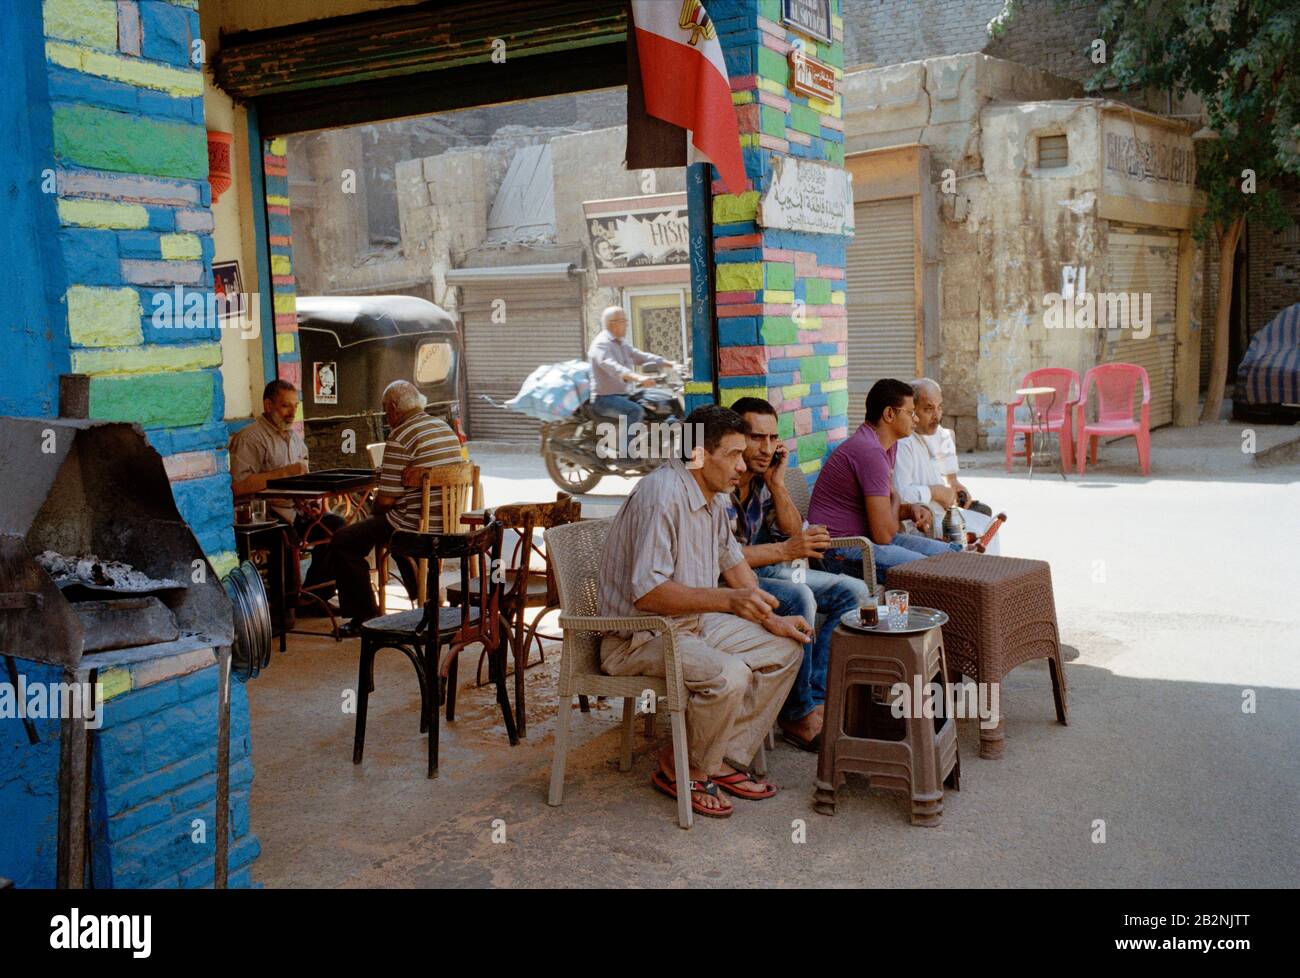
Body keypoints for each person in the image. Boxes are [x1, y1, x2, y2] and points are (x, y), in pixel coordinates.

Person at [598, 405, 809, 819]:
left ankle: (722, 760)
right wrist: (728, 601)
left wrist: (772, 620)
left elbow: (733, 564)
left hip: (687, 626)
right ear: (697, 454)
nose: (742, 463)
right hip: (637, 637)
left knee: (785, 649)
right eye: (732, 454)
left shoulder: (713, 496)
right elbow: (649, 593)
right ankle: (682, 769)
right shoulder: (662, 494)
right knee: (730, 674)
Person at [726, 397, 873, 753]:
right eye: (756, 437)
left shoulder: (762, 480)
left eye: (773, 438)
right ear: (734, 438)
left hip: (767, 568)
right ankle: (795, 713)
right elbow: (719, 557)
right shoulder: (720, 480)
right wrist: (785, 551)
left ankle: (816, 698)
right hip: (727, 581)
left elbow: (793, 533)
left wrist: (777, 484)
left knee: (851, 592)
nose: (766, 447)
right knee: (799, 596)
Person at [328, 380, 464, 637]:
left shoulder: (400, 436)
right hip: (448, 522)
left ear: (393, 408)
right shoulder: (444, 428)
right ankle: (423, 598)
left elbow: (386, 500)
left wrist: (374, 512)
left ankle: (363, 616)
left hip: (416, 526)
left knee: (345, 539)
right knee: (387, 529)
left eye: (384, 410)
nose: (385, 416)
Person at [809, 379, 963, 586]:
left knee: (951, 555)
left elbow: (883, 514)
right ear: (889, 414)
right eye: (910, 413)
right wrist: (897, 498)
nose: (915, 419)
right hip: (837, 550)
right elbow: (883, 534)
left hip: (866, 538)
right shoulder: (869, 451)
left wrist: (907, 510)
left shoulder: (887, 447)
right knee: (930, 573)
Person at [229, 380, 343, 613]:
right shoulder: (251, 438)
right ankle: (287, 605)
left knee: (338, 528)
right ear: (268, 404)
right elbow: (238, 486)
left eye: (295, 406)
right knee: (285, 538)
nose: (292, 413)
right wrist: (284, 473)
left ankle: (313, 597)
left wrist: (309, 500)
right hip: (265, 514)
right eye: (285, 406)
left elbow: (302, 477)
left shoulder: (294, 438)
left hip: (295, 510)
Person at [894, 378, 1001, 553]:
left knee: (987, 523)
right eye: (929, 409)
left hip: (942, 515)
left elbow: (947, 436)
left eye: (940, 407)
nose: (937, 416)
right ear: (912, 410)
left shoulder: (933, 432)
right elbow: (901, 495)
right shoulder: (903, 443)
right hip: (923, 527)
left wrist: (953, 480)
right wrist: (935, 491)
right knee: (983, 530)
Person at [586, 306, 669, 429]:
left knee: (652, 402)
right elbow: (613, 367)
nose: (626, 325)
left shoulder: (621, 342)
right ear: (612, 324)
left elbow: (640, 356)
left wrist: (669, 363)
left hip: (622, 395)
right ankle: (627, 448)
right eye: (623, 321)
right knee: (635, 411)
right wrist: (639, 378)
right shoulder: (601, 344)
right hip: (604, 399)